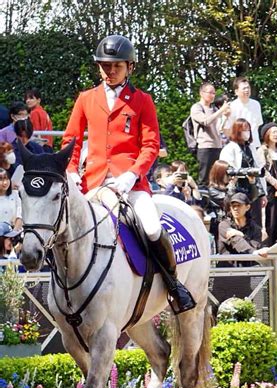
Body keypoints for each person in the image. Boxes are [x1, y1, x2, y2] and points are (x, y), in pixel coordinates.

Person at [61, 34, 195, 313]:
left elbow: (151, 145)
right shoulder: (86, 99)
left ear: (129, 67)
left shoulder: (142, 101)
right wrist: (72, 170)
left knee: (152, 227)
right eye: (105, 66)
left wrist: (133, 174)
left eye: (116, 67)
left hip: (131, 185)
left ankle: (174, 286)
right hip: (94, 184)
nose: (110, 72)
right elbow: (71, 140)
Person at [219, 118, 265, 225]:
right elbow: (228, 170)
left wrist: (262, 194)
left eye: (248, 129)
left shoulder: (250, 148)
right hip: (238, 190)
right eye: (244, 130)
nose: (247, 132)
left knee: (255, 223)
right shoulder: (230, 148)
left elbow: (257, 169)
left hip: (253, 190)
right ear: (237, 131)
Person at [190, 82, 230, 186]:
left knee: (217, 178)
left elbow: (220, 128)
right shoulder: (196, 107)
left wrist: (226, 116)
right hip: (205, 147)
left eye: (214, 93)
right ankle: (202, 201)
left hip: (217, 146)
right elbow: (206, 122)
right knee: (204, 178)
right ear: (201, 93)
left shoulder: (214, 109)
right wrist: (221, 111)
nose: (212, 95)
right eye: (210, 92)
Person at [256, 122, 277, 245]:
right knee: (270, 218)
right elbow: (262, 170)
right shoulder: (262, 151)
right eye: (273, 132)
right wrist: (274, 182)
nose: (276, 135)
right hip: (269, 189)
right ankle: (269, 244)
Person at [217, 192, 266, 257]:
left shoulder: (255, 228)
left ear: (247, 207)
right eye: (233, 206)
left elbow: (256, 247)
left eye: (239, 205)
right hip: (229, 266)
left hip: (248, 265)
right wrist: (253, 252)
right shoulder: (224, 225)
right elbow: (236, 241)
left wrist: (243, 236)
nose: (235, 209)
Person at [224, 76, 263, 150]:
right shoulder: (231, 106)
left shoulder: (256, 104)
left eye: (248, 87)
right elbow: (227, 129)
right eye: (244, 88)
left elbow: (257, 125)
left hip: (255, 144)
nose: (247, 90)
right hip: (238, 146)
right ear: (236, 91)